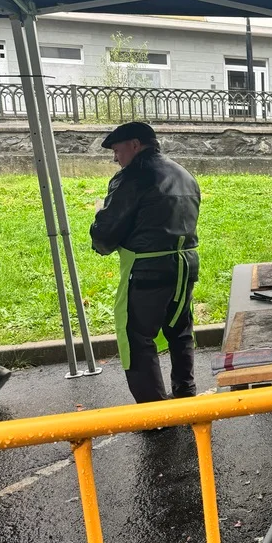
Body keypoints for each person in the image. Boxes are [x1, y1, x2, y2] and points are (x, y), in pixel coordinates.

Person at [90, 122, 201, 404]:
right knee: (180, 331)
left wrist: (99, 215)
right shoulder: (184, 174)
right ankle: (186, 394)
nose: (115, 158)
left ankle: (155, 413)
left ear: (135, 145)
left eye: (117, 150)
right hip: (185, 267)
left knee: (137, 340)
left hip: (146, 272)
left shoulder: (132, 178)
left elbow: (106, 234)